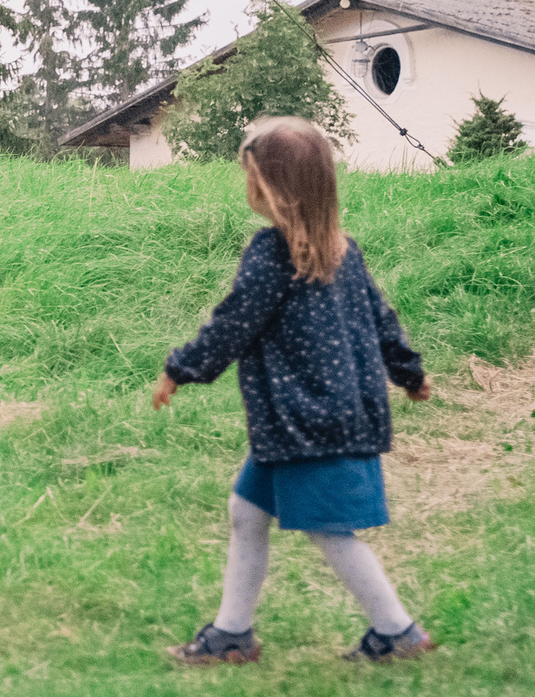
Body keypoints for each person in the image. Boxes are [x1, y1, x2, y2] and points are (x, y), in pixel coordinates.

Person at [154, 115, 436, 665]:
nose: (246, 186)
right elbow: (382, 320)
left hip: (306, 422)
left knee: (331, 534)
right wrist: (409, 372)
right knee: (247, 511)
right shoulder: (343, 251)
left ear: (270, 189)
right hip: (323, 420)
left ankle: (398, 632)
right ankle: (233, 632)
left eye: (251, 176)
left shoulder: (270, 253)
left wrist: (181, 369)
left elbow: (235, 323)